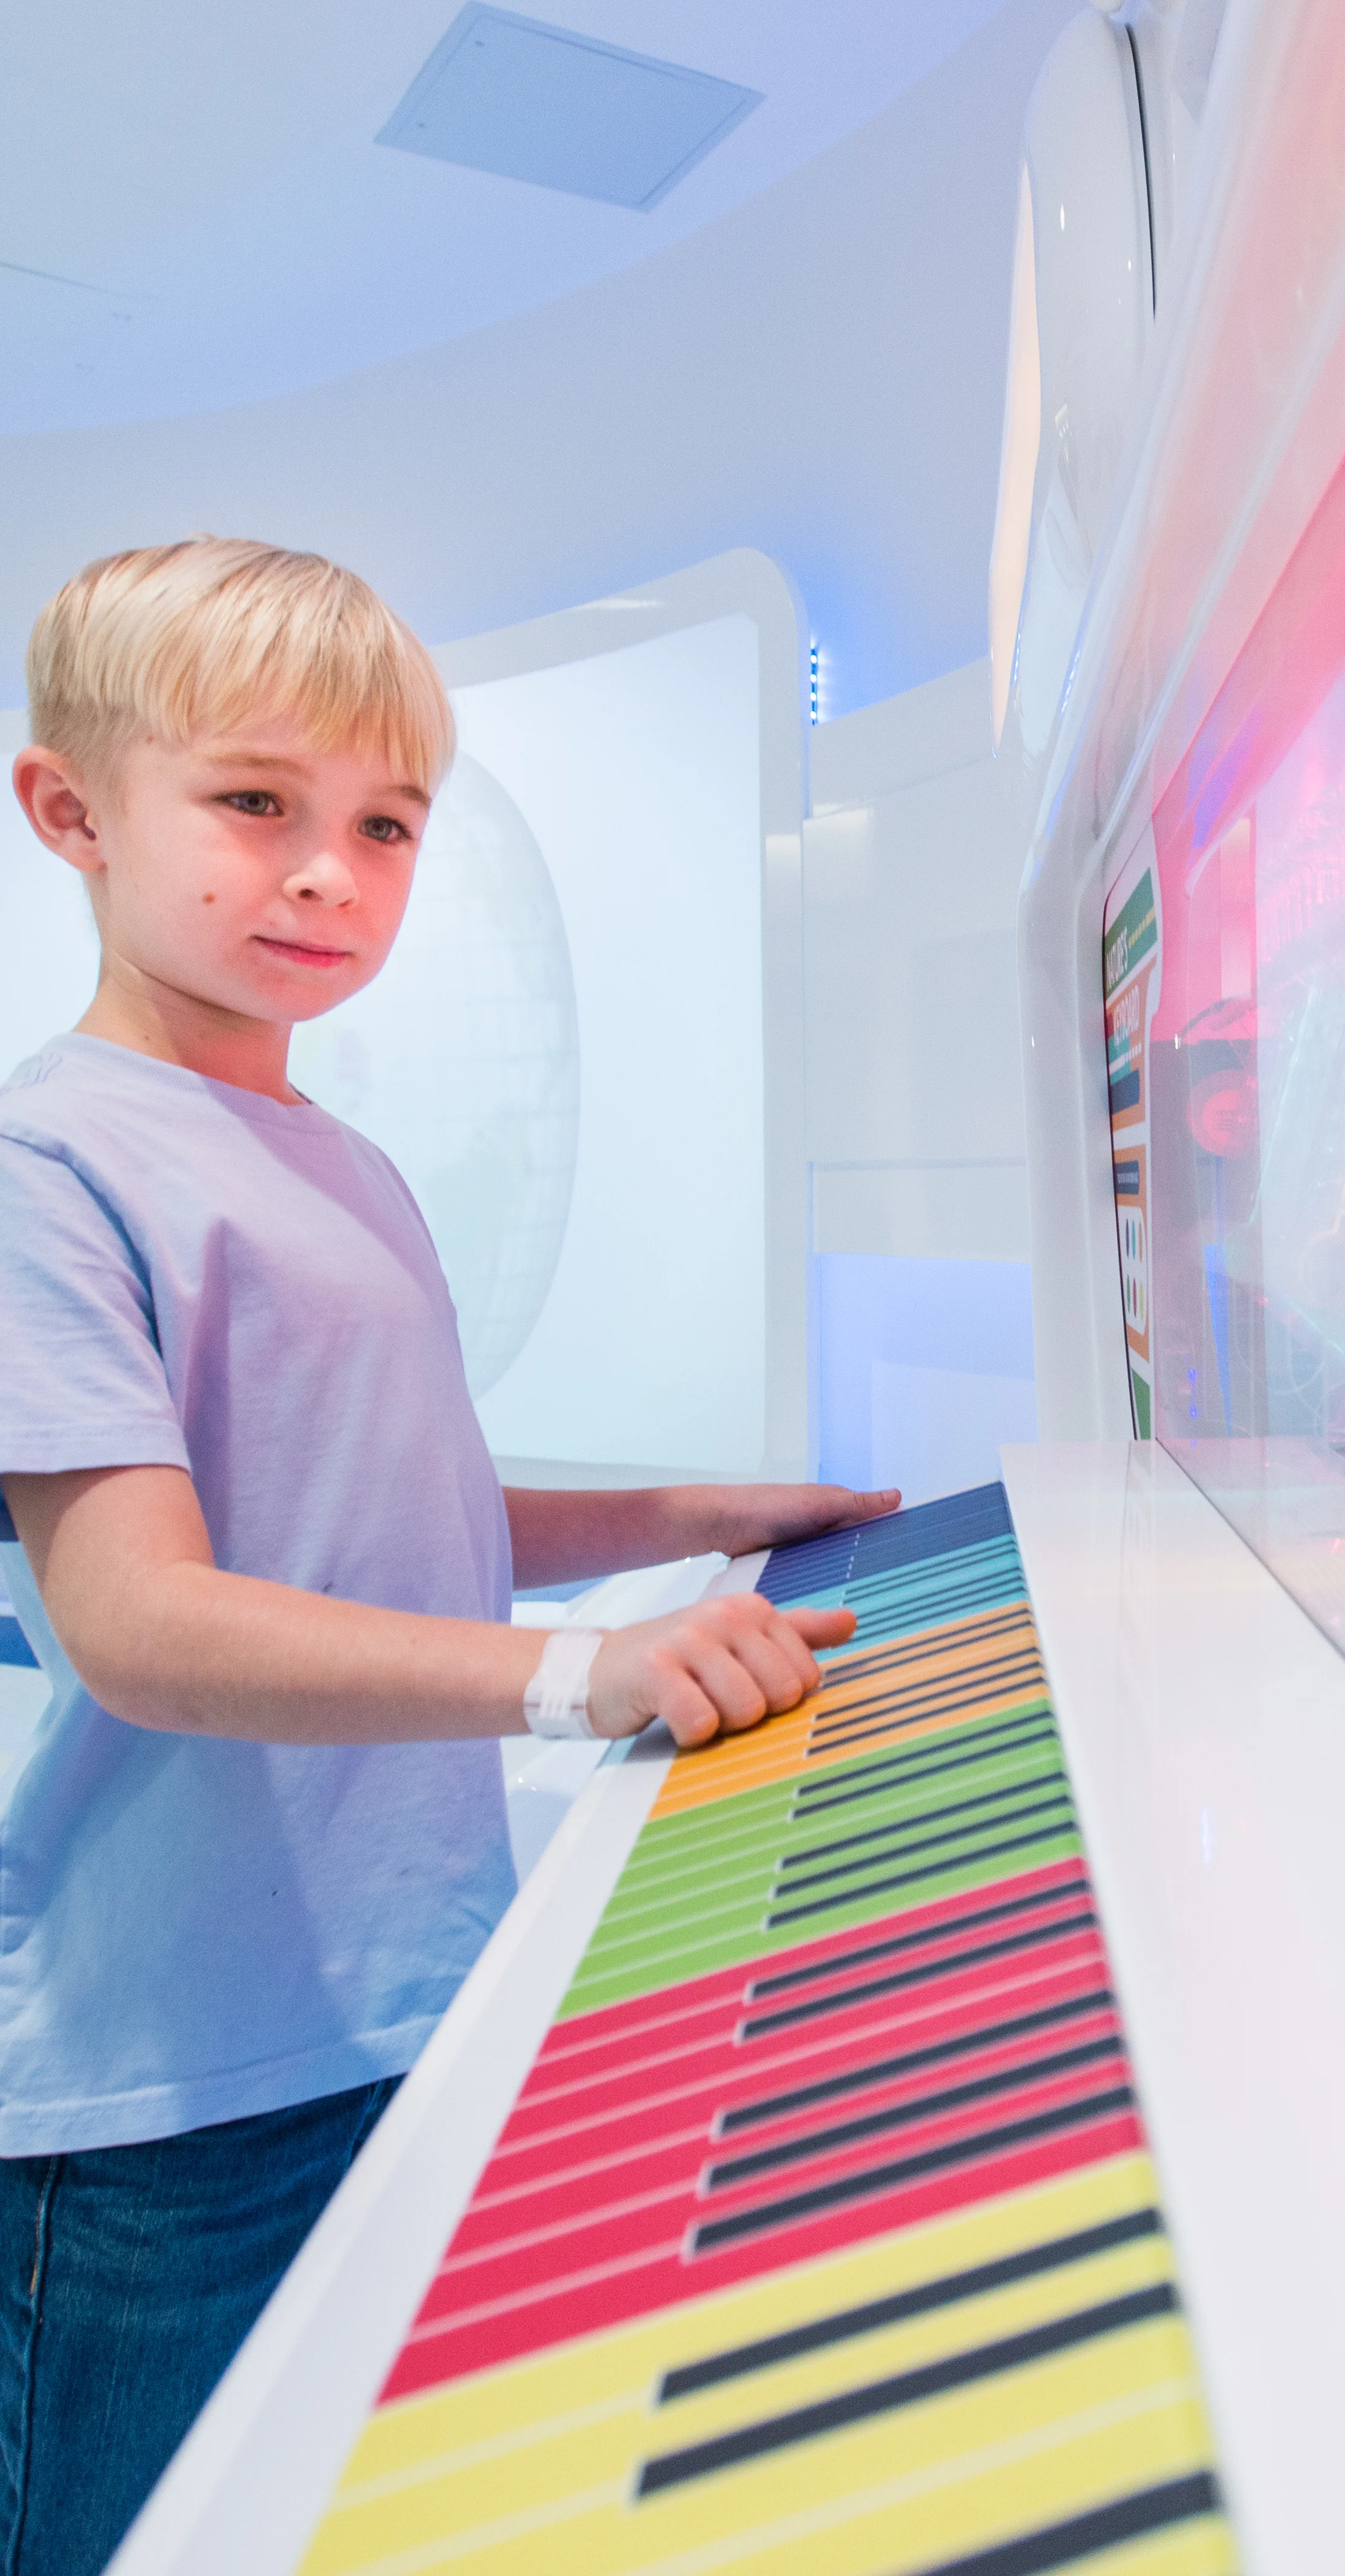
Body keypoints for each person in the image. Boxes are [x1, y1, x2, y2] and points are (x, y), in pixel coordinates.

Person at [0, 538, 893, 2575]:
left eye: (385, 824)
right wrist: (587, 1672)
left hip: (415, 1995)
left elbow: (412, 1512)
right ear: (70, 810)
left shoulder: (349, 1161)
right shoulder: (46, 1164)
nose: (331, 872)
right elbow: (139, 1618)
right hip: (166, 2089)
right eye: (255, 804)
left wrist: (712, 1517)